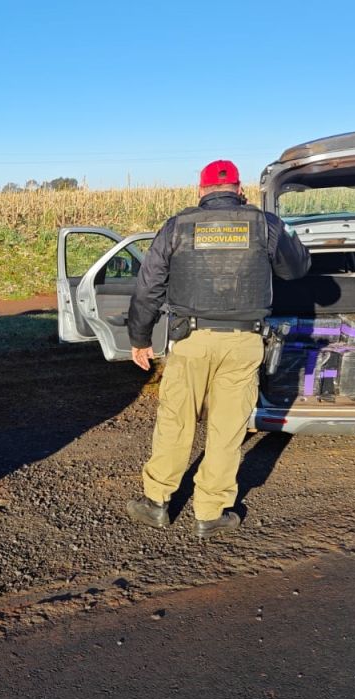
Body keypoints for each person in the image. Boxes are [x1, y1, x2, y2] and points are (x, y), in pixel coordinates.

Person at [124, 160, 310, 538]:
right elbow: (297, 269)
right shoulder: (264, 224)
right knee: (227, 429)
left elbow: (148, 287)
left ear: (201, 188)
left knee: (176, 421)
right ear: (239, 189)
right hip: (243, 342)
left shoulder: (178, 226)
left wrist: (139, 339)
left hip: (191, 340)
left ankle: (157, 502)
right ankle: (210, 512)